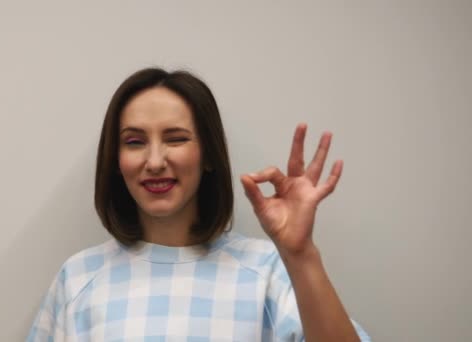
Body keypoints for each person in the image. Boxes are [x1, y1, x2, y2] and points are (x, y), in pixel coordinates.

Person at [26, 68, 371, 341]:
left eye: (176, 139)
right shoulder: (79, 278)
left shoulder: (266, 271)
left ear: (208, 155)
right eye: (134, 142)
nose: (156, 161)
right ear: (116, 160)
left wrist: (299, 254)